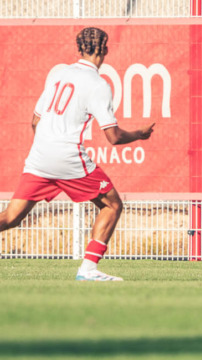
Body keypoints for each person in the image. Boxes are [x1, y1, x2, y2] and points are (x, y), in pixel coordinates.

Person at [0, 27, 155, 281]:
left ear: (79, 49)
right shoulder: (98, 84)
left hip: (39, 156)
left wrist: (46, 149)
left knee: (12, 216)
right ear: (105, 49)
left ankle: (89, 270)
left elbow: (34, 121)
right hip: (67, 156)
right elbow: (113, 137)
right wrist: (139, 134)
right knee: (112, 205)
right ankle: (88, 269)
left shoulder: (59, 74)